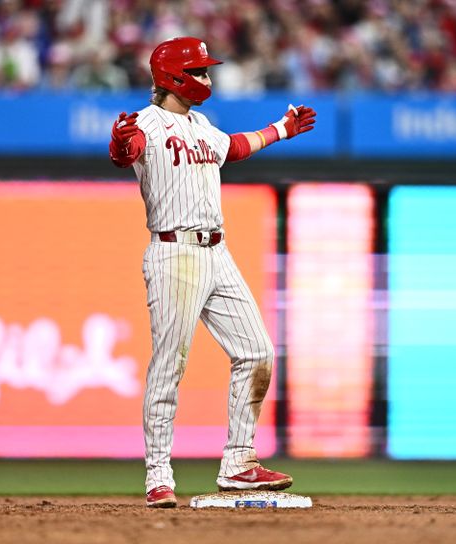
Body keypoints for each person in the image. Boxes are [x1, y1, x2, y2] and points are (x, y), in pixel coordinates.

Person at [108, 36, 316, 508]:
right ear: (174, 77)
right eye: (199, 71)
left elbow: (235, 148)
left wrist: (280, 130)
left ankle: (239, 464)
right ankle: (158, 474)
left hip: (217, 251)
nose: (207, 78)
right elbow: (127, 151)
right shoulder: (146, 123)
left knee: (258, 352)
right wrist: (120, 144)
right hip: (174, 252)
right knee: (170, 364)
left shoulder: (201, 124)